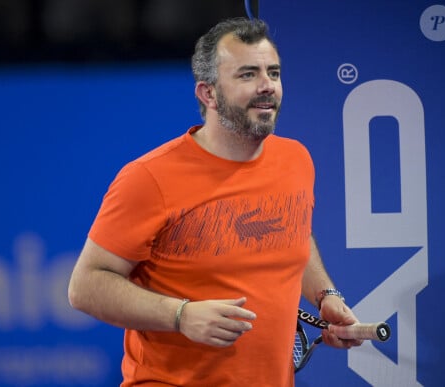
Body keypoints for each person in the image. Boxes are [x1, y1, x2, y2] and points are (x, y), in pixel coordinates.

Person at [68, 17, 362, 386]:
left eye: (273, 72)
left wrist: (325, 296)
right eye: (247, 75)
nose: (267, 86)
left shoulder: (296, 160)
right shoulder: (149, 178)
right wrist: (181, 315)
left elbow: (293, 232)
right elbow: (85, 286)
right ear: (208, 94)